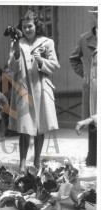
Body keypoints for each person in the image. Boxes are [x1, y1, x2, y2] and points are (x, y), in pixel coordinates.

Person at [7, 10, 60, 172]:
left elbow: (54, 66)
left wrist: (39, 59)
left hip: (42, 90)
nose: (27, 29)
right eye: (24, 27)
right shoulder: (17, 42)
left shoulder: (47, 42)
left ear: (36, 26)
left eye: (30, 26)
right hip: (23, 88)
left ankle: (36, 161)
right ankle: (22, 163)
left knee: (40, 127)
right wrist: (16, 50)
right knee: (24, 128)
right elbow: (12, 68)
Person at [69, 7, 97, 166]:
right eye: (97, 15)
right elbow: (74, 59)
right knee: (93, 123)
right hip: (93, 88)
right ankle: (93, 157)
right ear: (94, 17)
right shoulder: (84, 38)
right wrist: (87, 75)